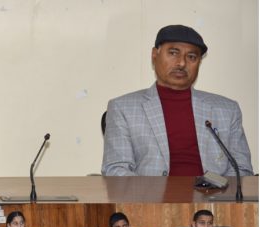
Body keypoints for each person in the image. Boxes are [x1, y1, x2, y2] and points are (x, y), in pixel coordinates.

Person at [102, 24, 253, 177]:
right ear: (154, 55)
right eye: (173, 53)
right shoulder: (123, 108)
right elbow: (116, 170)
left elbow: (242, 170)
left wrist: (216, 190)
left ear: (199, 62)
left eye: (191, 57)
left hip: (212, 192)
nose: (182, 63)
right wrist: (154, 192)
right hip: (150, 192)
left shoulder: (227, 110)